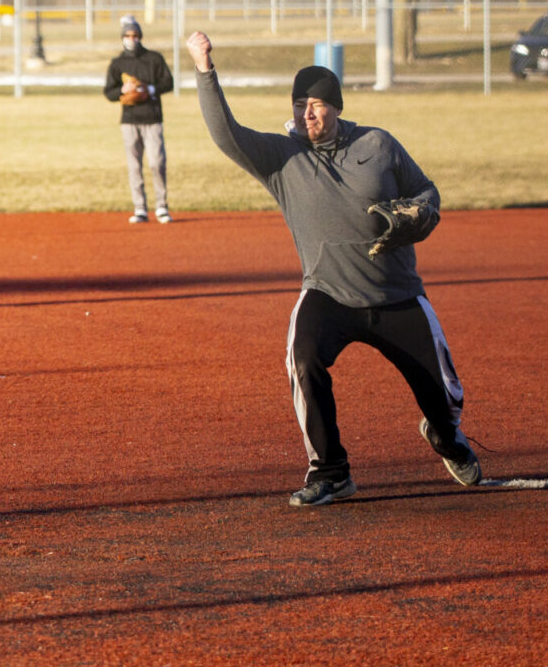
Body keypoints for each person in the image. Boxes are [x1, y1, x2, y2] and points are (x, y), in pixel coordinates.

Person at [186, 32, 482, 507]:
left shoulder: (379, 145)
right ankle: (330, 470)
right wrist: (204, 69)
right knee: (301, 357)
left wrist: (420, 215)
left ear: (337, 107)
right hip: (328, 291)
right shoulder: (282, 159)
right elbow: (227, 134)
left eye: (318, 103)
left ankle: (445, 437)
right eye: (300, 103)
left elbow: (427, 191)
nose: (308, 112)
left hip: (397, 294)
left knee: (445, 397)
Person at [105, 15, 175, 224]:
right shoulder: (118, 63)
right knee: (134, 165)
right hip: (129, 120)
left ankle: (161, 207)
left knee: (156, 163)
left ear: (140, 36)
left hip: (152, 118)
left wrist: (149, 89)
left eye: (135, 35)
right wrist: (122, 90)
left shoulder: (153, 59)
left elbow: (168, 83)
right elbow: (108, 92)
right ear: (122, 37)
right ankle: (140, 208)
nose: (131, 39)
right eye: (127, 35)